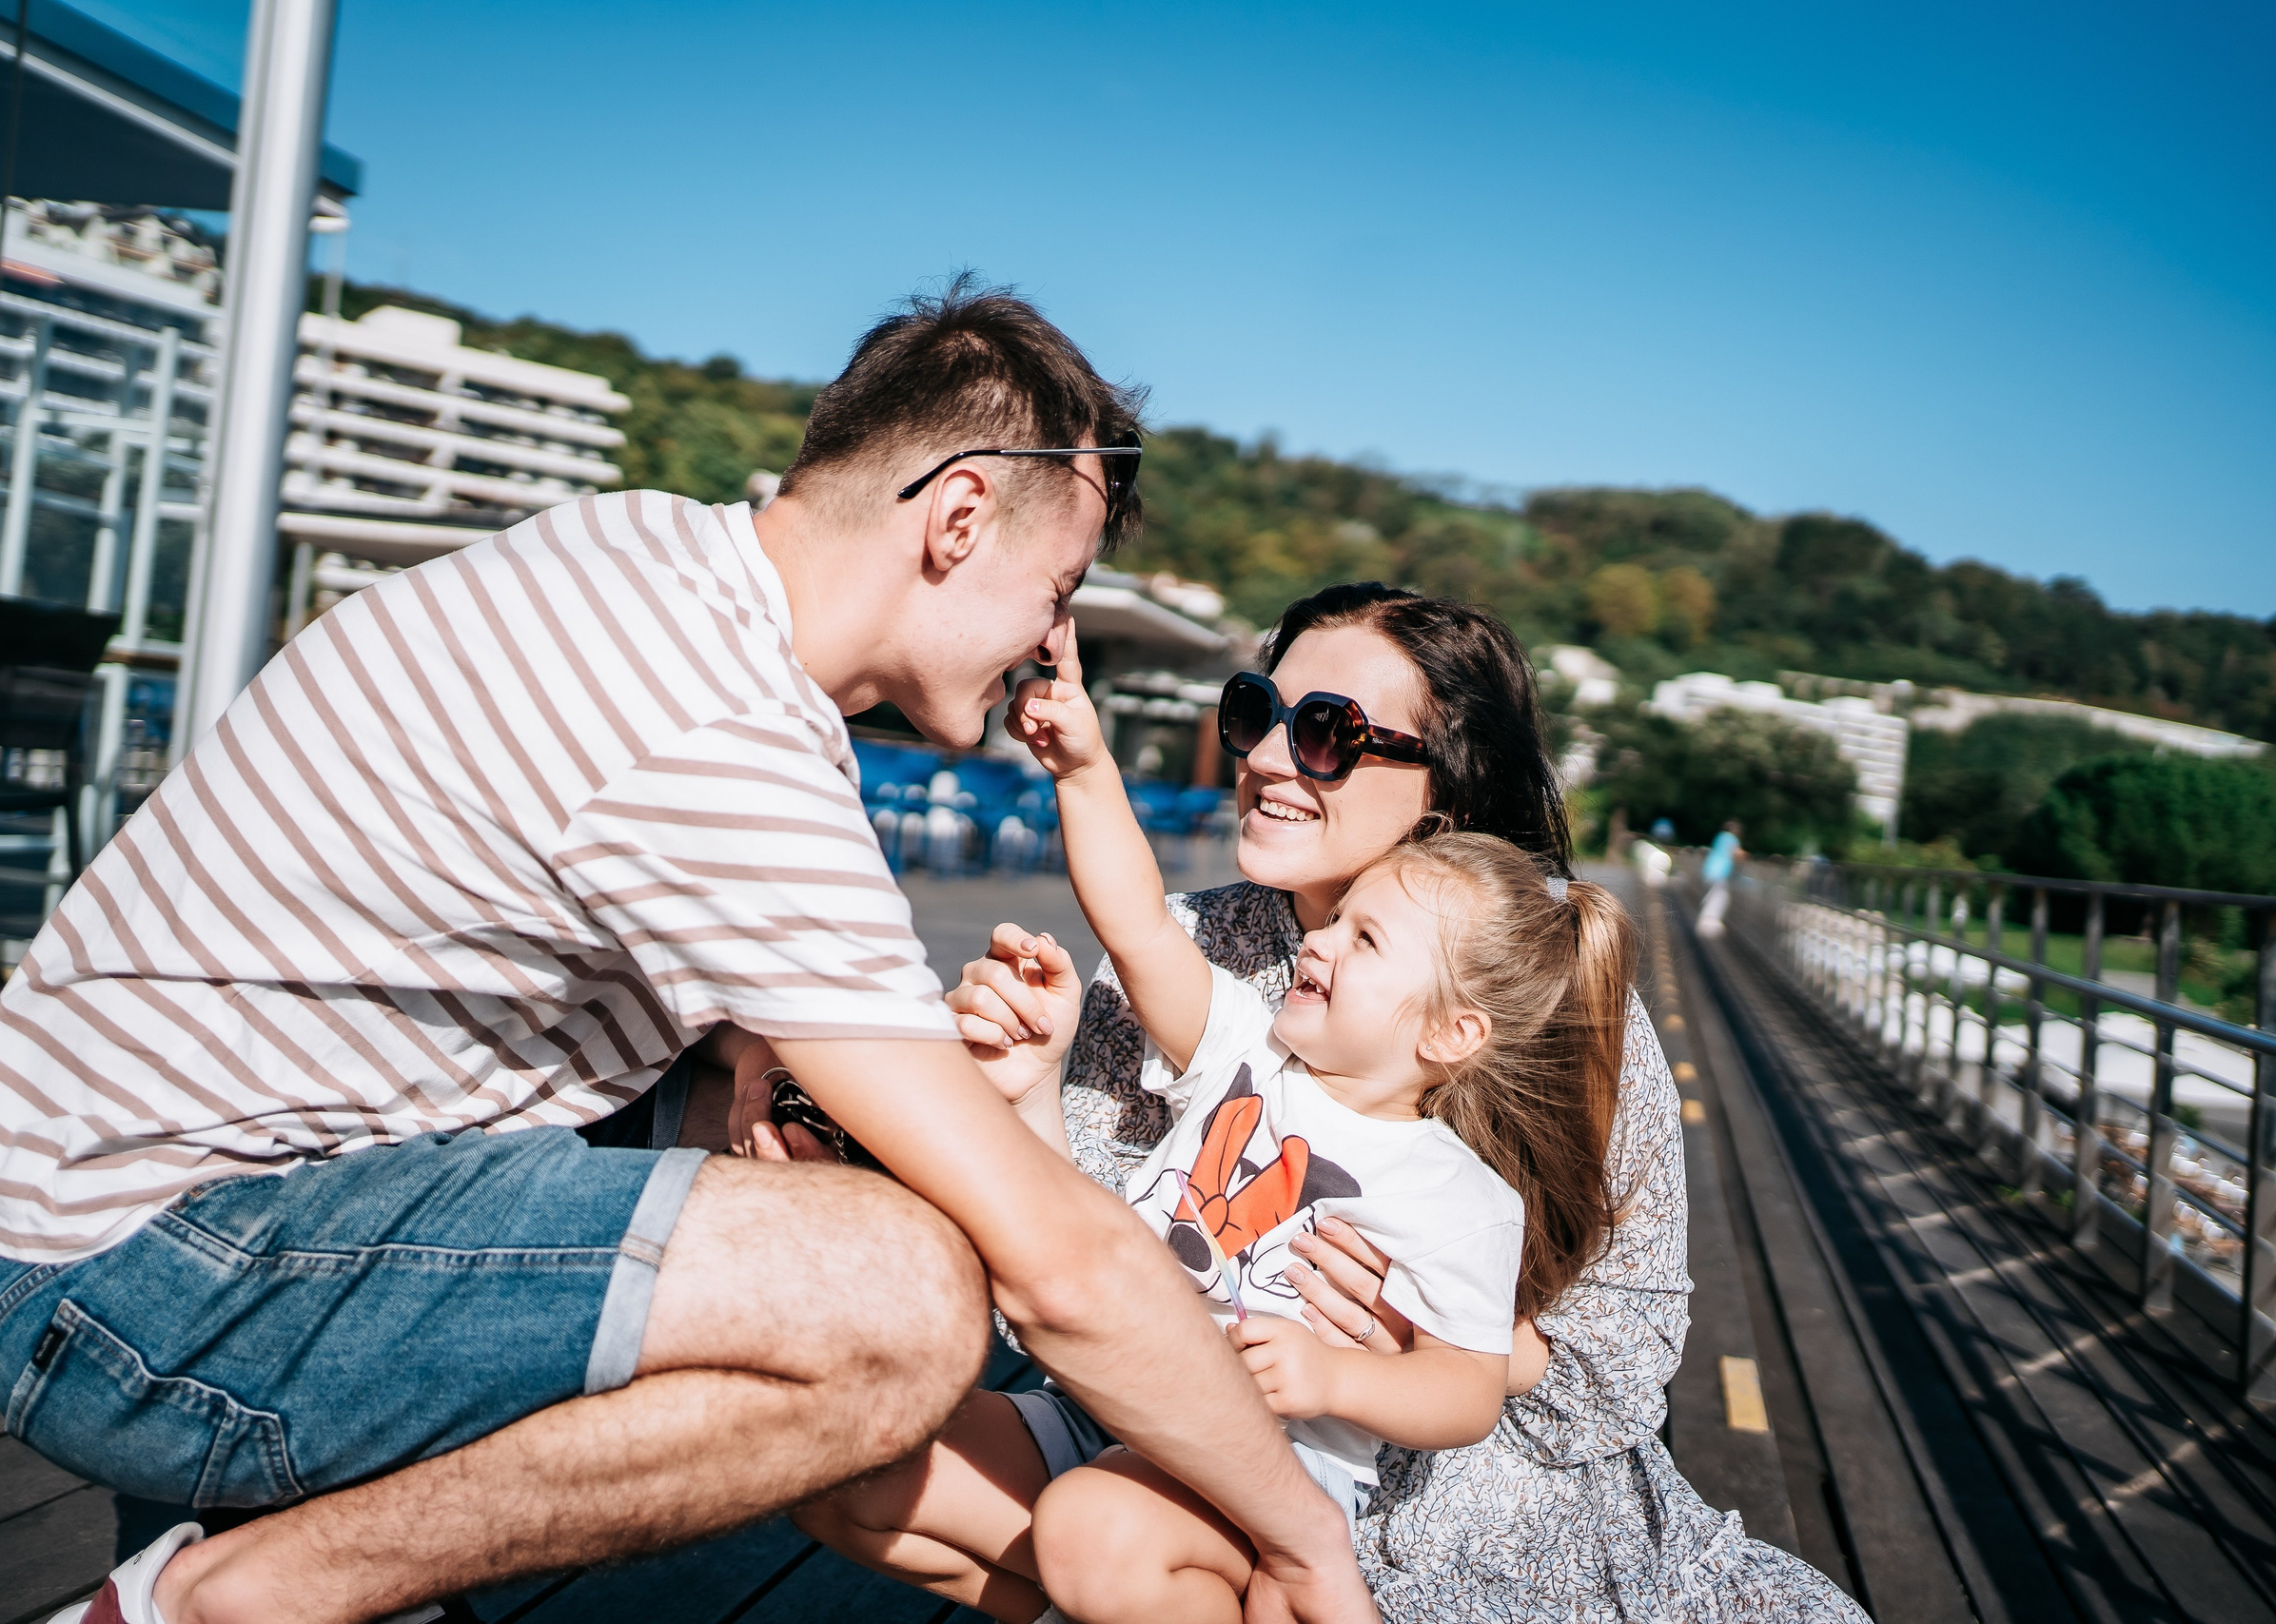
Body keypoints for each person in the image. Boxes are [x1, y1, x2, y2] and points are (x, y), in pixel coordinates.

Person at [0, 284, 1375, 1624]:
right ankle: (236, 1595)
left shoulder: (651, 558)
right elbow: (1058, 1261)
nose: (1051, 641)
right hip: (132, 1273)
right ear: (954, 519)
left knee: (820, 1138)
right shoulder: (717, 727)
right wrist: (1311, 1543)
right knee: (897, 1296)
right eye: (1054, 584)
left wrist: (754, 1053)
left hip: (153, 1179)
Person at [940, 584, 1867, 1620]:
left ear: (1447, 798)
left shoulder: (1536, 1009)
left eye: (1329, 732)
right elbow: (1129, 939)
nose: (1270, 757)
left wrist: (1393, 1339)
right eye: (1255, 712)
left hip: (1438, 1484)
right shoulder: (1244, 1010)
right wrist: (1082, 766)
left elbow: (1596, 1349)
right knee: (906, 1472)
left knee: (1119, 1544)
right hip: (1154, 1412)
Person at [796, 624, 1637, 1622]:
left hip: (1264, 1472)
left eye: (1365, 940)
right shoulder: (1247, 1047)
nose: (1320, 944)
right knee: (844, 1457)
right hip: (1104, 1406)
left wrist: (1335, 1378)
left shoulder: (1459, 1196)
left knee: (1094, 1533)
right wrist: (1082, 765)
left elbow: (1465, 1389)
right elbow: (1138, 922)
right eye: (1337, 922)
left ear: (1453, 1033)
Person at [1698, 819, 1743, 937]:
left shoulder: (1719, 837)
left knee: (1712, 895)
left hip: (1709, 869)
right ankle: (1709, 922)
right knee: (1720, 897)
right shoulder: (1732, 839)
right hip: (1720, 872)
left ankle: (1705, 921)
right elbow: (1736, 853)